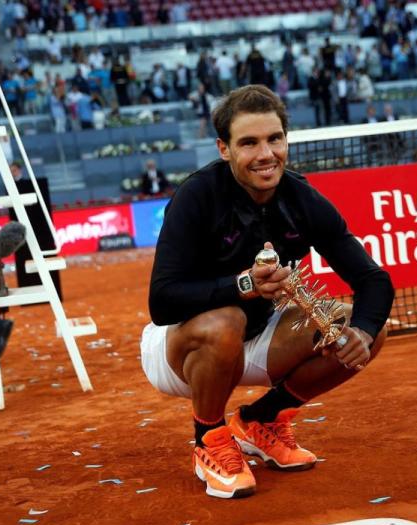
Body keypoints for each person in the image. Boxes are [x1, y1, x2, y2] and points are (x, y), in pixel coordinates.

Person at [140, 85, 393, 499]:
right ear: (224, 148)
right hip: (182, 349)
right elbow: (162, 300)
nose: (266, 154)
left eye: (275, 139)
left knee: (363, 327)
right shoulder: (196, 196)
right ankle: (209, 439)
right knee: (228, 319)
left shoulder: (301, 198)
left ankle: (261, 419)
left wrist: (362, 333)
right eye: (249, 143)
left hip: (260, 340)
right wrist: (243, 285)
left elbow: (372, 279)